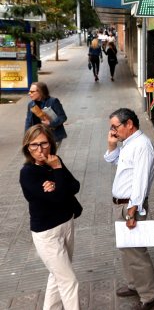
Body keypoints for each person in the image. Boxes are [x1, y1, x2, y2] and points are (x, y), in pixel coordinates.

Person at [19, 124, 82, 310]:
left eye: (44, 144)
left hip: (66, 223)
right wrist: (58, 180)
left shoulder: (55, 161)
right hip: (47, 233)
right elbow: (56, 198)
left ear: (51, 144)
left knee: (58, 276)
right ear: (27, 148)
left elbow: (75, 186)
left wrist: (57, 173)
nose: (40, 150)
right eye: (34, 145)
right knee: (69, 281)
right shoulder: (28, 173)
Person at [103, 108, 154, 310]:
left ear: (129, 124)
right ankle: (135, 285)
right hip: (122, 204)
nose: (113, 131)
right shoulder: (128, 143)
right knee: (126, 248)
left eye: (115, 126)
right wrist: (111, 145)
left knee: (136, 252)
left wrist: (132, 211)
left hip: (131, 205)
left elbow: (141, 181)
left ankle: (149, 295)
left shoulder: (142, 145)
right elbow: (115, 162)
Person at [25, 81, 68, 148]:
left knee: (48, 156)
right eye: (29, 91)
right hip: (37, 137)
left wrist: (50, 123)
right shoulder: (31, 104)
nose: (30, 94)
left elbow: (63, 117)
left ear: (40, 92)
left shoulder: (53, 101)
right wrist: (27, 136)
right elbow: (28, 121)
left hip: (53, 136)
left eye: (32, 92)